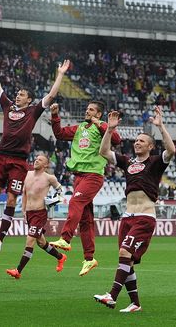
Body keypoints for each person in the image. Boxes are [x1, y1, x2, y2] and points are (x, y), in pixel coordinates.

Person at [0, 49, 69, 253]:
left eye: (21, 95)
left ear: (29, 100)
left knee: (11, 199)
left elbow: (51, 94)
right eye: (17, 94)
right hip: (1, 158)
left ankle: (0, 238)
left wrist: (60, 75)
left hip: (19, 161)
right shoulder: (8, 107)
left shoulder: (33, 111)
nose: (17, 96)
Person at [93, 107, 174, 312]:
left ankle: (112, 296)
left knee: (124, 252)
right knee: (126, 258)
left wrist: (161, 126)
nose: (137, 142)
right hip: (127, 217)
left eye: (141, 140)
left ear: (150, 146)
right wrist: (109, 130)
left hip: (144, 217)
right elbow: (103, 152)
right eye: (136, 140)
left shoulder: (155, 162)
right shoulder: (128, 162)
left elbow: (171, 151)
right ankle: (135, 303)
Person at [48, 101, 122, 276]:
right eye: (87, 108)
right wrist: (55, 116)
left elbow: (117, 140)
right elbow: (59, 134)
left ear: (98, 114)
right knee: (86, 219)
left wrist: (100, 124)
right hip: (79, 176)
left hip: (93, 175)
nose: (87, 111)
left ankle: (66, 238)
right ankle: (89, 258)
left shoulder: (102, 127)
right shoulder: (80, 128)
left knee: (75, 202)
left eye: (91, 110)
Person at [5, 154, 67, 279]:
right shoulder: (27, 175)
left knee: (30, 240)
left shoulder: (50, 178)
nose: (36, 160)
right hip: (29, 213)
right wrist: (23, 210)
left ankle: (18, 271)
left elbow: (61, 192)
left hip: (40, 213)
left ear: (46, 165)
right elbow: (24, 193)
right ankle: (61, 257)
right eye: (36, 159)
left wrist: (54, 200)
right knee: (41, 242)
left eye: (40, 160)